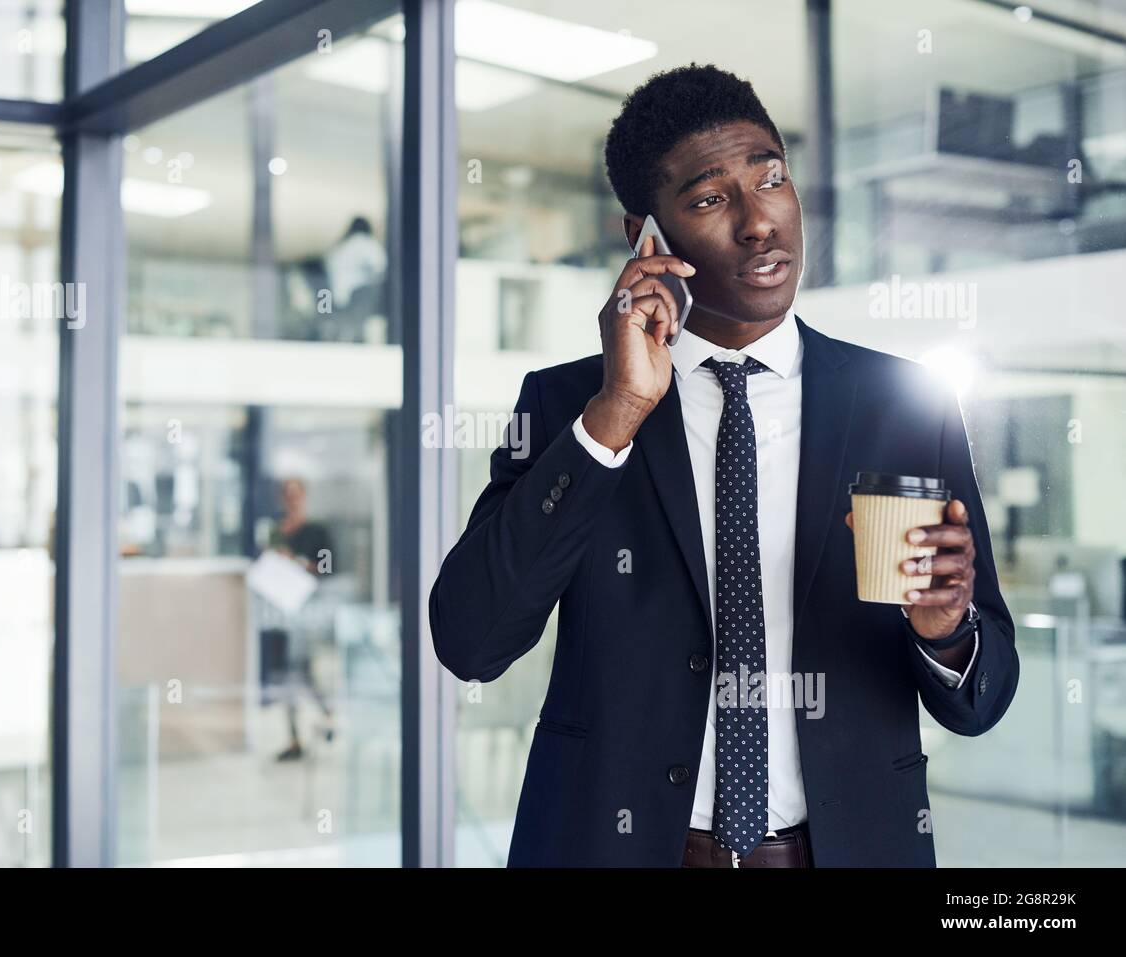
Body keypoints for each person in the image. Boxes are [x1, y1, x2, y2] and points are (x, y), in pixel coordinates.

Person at [428, 64, 1020, 868]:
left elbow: (983, 700)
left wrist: (946, 632)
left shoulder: (902, 404)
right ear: (644, 234)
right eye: (710, 198)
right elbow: (471, 640)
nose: (758, 223)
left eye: (771, 178)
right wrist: (615, 416)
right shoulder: (573, 402)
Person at [264, 477, 335, 762]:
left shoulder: (317, 531)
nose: (292, 500)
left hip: (307, 611)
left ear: (304, 496)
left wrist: (300, 564)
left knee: (301, 670)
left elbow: (329, 565)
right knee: (288, 674)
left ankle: (328, 713)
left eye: (296, 494)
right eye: (287, 495)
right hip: (280, 612)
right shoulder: (276, 532)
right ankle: (295, 737)